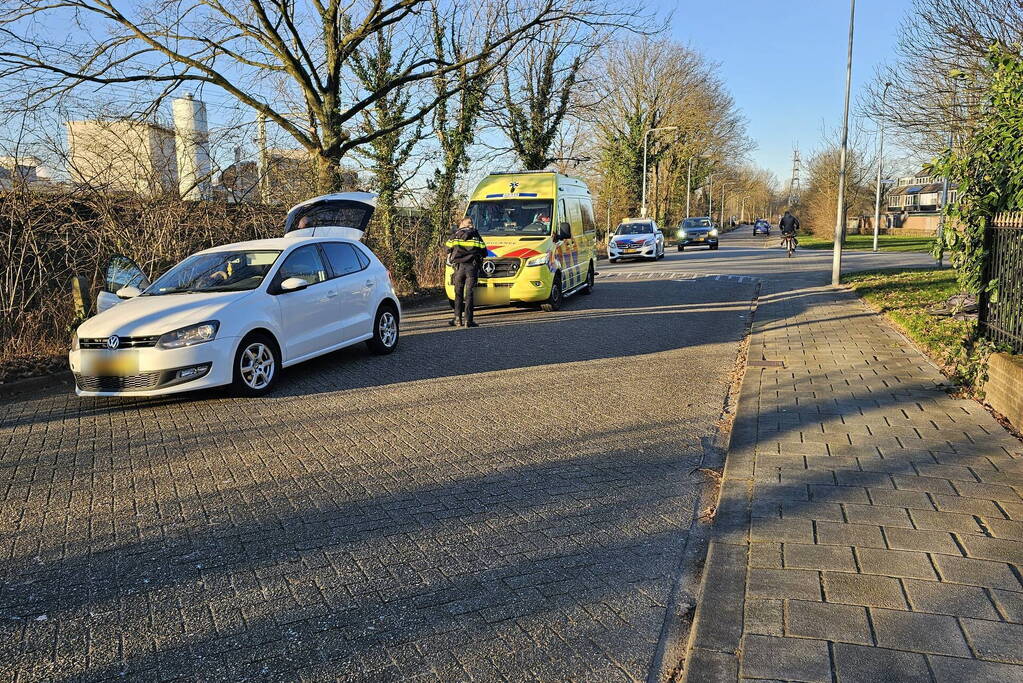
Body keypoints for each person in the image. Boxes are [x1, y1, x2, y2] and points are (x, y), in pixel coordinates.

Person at [445, 216, 488, 328]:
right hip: (471, 268)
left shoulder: (455, 235)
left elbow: (447, 249)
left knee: (458, 294)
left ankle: (457, 319)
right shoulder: (476, 235)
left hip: (458, 268)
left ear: (462, 224)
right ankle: (468, 321)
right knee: (469, 294)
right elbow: (484, 252)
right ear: (471, 224)